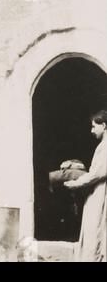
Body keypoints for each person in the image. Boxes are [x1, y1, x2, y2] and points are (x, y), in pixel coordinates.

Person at [64, 109, 107, 262]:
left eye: (94, 126)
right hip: (97, 193)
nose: (91, 130)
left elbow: (97, 173)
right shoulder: (102, 145)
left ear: (104, 125)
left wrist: (76, 184)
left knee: (96, 234)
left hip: (101, 195)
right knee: (93, 234)